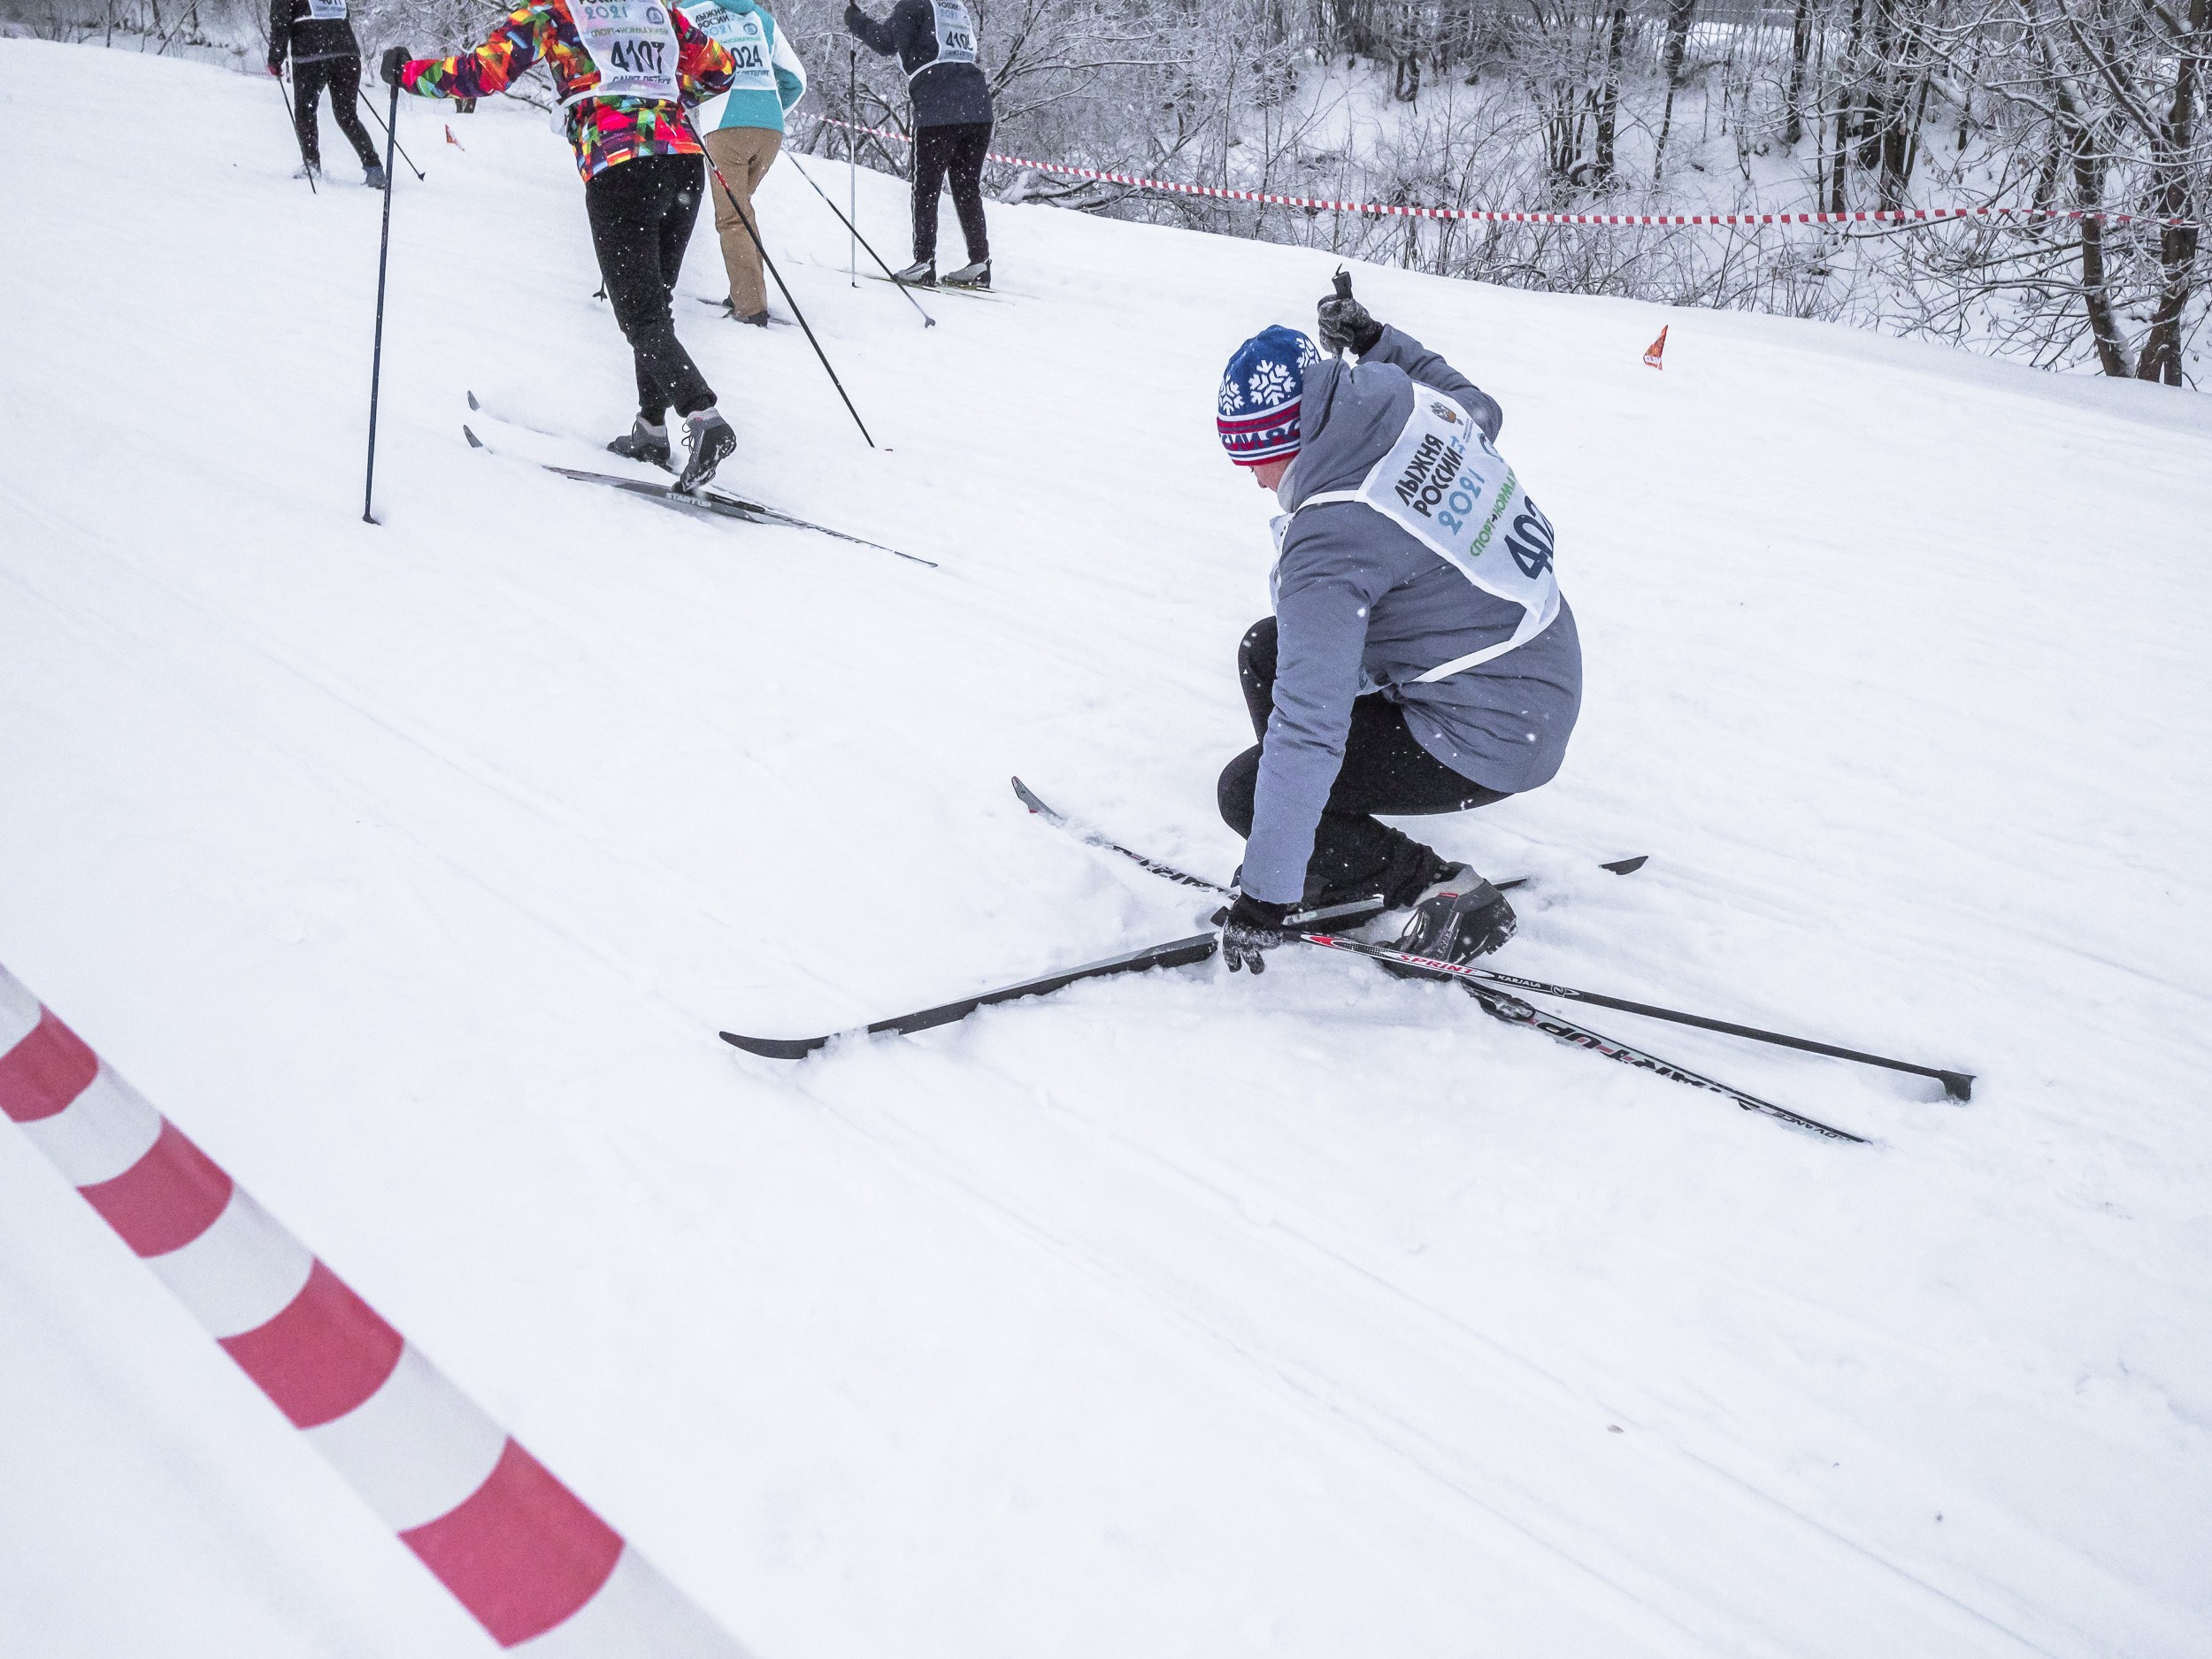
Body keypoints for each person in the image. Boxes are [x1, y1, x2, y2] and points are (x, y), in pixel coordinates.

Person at [1212, 288, 1583, 975]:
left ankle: (1437, 884)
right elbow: (1482, 410)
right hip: (1536, 665)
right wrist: (1379, 340)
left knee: (1246, 791)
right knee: (1267, 650)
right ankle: (1336, 862)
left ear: (1286, 438)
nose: (1257, 482)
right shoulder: (1401, 400)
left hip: (1496, 733)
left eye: (1253, 460)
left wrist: (1265, 897)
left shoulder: (1330, 534)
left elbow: (1309, 727)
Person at [380, 4, 741, 493]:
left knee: (641, 317)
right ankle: (651, 432)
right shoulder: (658, 11)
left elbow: (483, 72)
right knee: (655, 305)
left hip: (620, 163)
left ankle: (703, 417)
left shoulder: (556, 13)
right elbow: (721, 69)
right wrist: (663, 98)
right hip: (680, 164)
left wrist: (406, 73)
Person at [842, 0, 993, 288]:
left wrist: (855, 20)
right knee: (966, 187)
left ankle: (924, 262)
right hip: (978, 108)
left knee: (926, 188)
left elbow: (886, 42)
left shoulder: (915, 3)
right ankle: (979, 262)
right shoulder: (955, 6)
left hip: (940, 108)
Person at [680, 0, 808, 326]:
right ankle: (744, 289)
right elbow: (797, 79)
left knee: (732, 218)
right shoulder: (759, 17)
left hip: (724, 125)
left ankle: (750, 308)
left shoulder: (689, 13)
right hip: (770, 129)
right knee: (741, 211)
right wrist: (774, 113)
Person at [267, 0, 386, 189]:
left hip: (310, 54)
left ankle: (312, 166)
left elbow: (280, 22)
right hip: (346, 54)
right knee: (347, 115)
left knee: (306, 112)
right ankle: (374, 168)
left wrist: (275, 59)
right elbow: (344, 14)